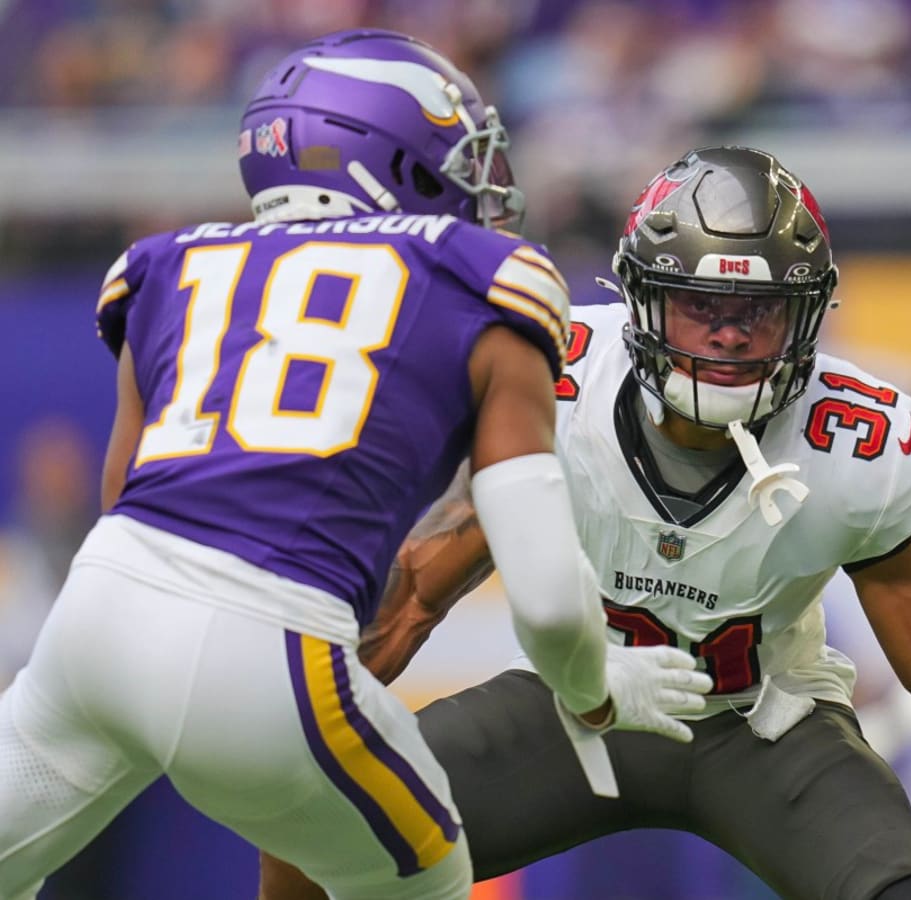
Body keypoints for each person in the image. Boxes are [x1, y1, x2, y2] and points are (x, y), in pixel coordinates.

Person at [0, 29, 712, 900]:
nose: (485, 184)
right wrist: (598, 688)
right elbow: (550, 599)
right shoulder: (482, 275)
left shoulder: (169, 264)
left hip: (96, 623)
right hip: (266, 652)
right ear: (394, 161)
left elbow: (125, 501)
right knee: (428, 877)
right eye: (464, 157)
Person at [262, 146, 911, 900]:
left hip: (765, 723)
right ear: (644, 298)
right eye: (703, 307)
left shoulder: (858, 442)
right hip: (573, 706)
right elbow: (416, 597)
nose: (730, 336)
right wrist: (290, 723)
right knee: (316, 822)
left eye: (758, 312)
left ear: (804, 315)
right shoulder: (556, 384)